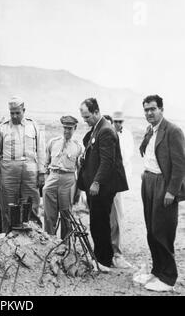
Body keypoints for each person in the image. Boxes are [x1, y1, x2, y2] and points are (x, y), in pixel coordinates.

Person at [133, 95, 185, 292]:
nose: (149, 113)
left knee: (163, 230)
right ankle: (157, 270)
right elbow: (149, 153)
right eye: (146, 110)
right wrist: (146, 173)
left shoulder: (173, 131)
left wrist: (172, 191)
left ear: (161, 109)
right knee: (151, 229)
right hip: (149, 181)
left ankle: (168, 277)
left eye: (153, 109)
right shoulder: (150, 130)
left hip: (164, 184)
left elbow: (180, 165)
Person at [77, 98, 128, 271]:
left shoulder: (105, 130)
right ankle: (101, 257)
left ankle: (104, 261)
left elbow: (107, 162)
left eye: (87, 117)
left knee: (100, 224)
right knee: (97, 223)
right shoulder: (97, 128)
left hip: (102, 187)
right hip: (95, 187)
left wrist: (96, 182)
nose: (85, 120)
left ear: (97, 112)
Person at [0, 96, 46, 231]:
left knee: (31, 205)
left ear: (24, 110)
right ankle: (7, 239)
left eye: (17, 113)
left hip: (30, 170)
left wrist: (41, 173)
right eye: (12, 113)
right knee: (8, 208)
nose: (14, 116)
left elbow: (41, 151)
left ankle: (34, 239)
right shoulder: (2, 128)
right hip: (9, 170)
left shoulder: (33, 126)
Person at [43, 116, 82, 239]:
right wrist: (46, 181)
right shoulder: (53, 142)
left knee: (66, 214)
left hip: (68, 179)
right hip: (53, 177)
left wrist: (78, 191)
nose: (66, 131)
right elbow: (46, 164)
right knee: (49, 215)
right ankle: (50, 243)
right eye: (65, 128)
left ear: (75, 128)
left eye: (70, 128)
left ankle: (65, 245)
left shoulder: (78, 147)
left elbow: (80, 170)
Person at [109, 111, 134, 269]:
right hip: (106, 179)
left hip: (118, 179)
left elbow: (126, 156)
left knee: (117, 216)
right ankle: (107, 251)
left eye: (120, 121)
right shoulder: (108, 133)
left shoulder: (127, 136)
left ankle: (117, 253)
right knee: (106, 217)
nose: (118, 124)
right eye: (115, 121)